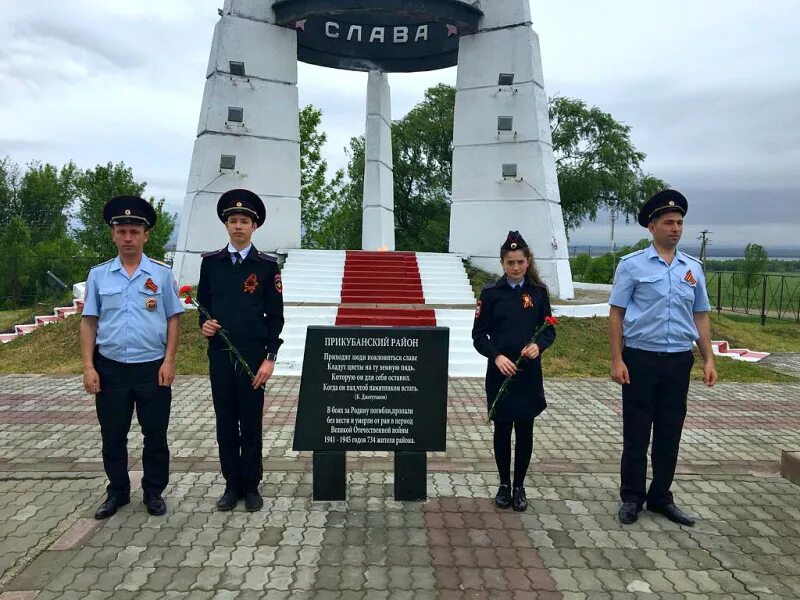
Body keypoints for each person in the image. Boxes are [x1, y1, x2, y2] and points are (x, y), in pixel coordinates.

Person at [609, 189, 717, 527]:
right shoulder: (632, 266)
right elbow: (616, 314)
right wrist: (616, 359)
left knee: (670, 432)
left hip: (677, 361)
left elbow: (700, 315)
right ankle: (631, 498)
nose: (676, 228)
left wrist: (708, 359)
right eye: (669, 222)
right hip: (640, 358)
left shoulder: (693, 268)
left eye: (680, 223)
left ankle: (660, 497)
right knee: (637, 433)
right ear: (652, 227)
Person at [80, 195, 184, 519]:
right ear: (113, 234)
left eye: (134, 231)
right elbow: (89, 321)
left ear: (145, 235)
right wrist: (88, 366)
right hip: (110, 368)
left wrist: (169, 360)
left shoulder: (162, 275)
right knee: (112, 435)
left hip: (152, 367)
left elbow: (173, 317)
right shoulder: (99, 276)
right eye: (122, 230)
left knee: (155, 434)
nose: (128, 237)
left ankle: (153, 492)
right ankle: (118, 492)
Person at [197, 188, 284, 512]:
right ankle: (231, 484)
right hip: (220, 355)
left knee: (250, 423)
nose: (238, 226)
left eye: (244, 221)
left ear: (254, 226)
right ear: (226, 224)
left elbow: (276, 317)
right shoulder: (211, 264)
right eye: (233, 220)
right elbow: (203, 308)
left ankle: (251, 485)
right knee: (225, 422)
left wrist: (269, 358)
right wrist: (203, 326)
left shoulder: (266, 267)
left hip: (251, 357)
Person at [472, 231, 556, 512]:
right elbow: (479, 335)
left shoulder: (538, 292)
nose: (516, 267)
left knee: (525, 430)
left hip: (528, 373)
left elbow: (549, 329)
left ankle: (520, 486)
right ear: (502, 263)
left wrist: (539, 347)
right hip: (500, 373)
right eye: (510, 263)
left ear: (527, 261)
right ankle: (503, 484)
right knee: (502, 430)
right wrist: (496, 356)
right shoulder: (491, 294)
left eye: (520, 262)